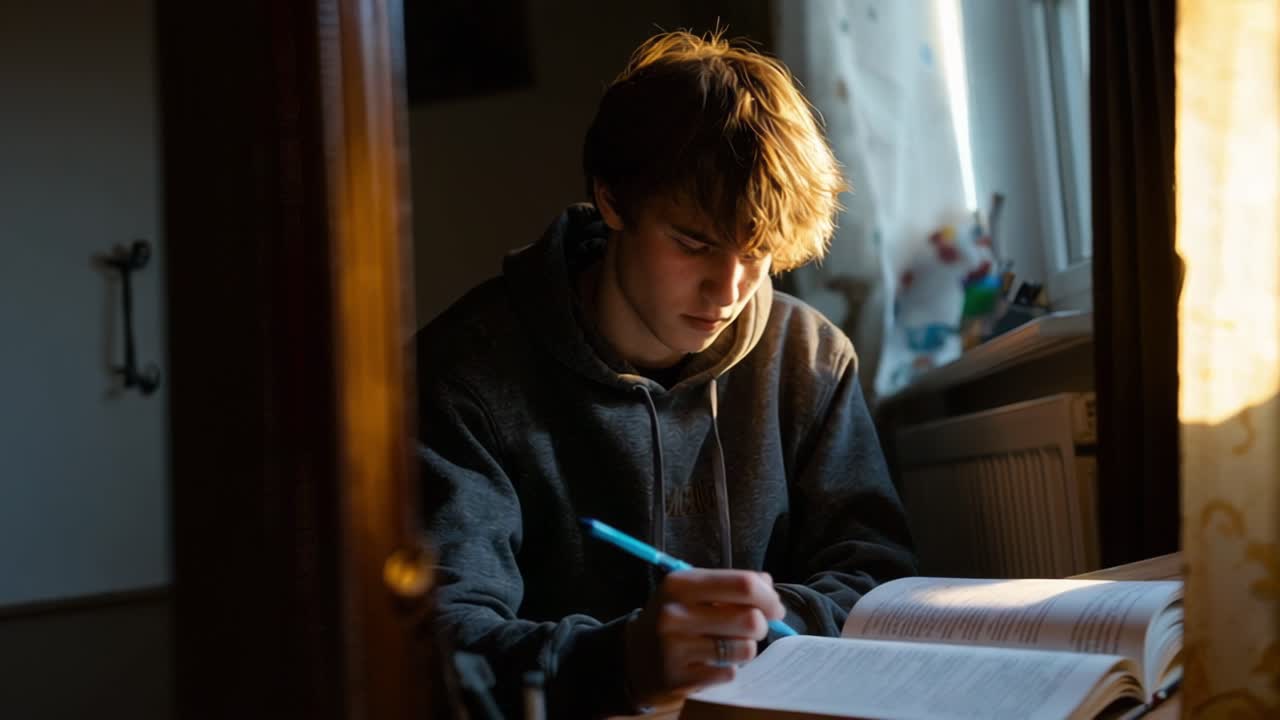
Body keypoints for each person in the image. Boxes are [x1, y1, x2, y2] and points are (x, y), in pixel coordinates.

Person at [417, 30, 916, 718]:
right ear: (613, 200)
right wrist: (623, 663)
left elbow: (878, 577)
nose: (729, 289)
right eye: (694, 243)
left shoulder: (810, 357)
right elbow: (443, 644)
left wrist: (746, 632)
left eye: (760, 252)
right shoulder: (463, 374)